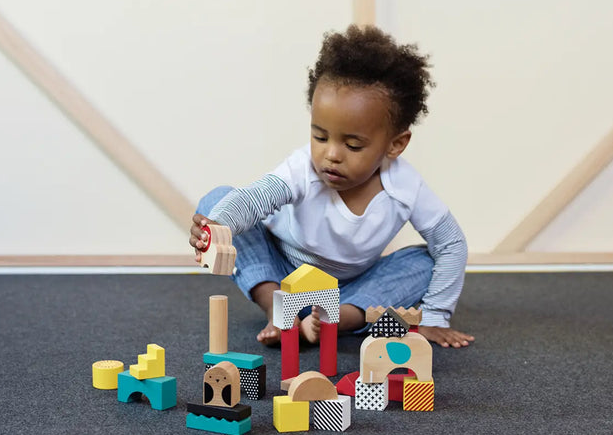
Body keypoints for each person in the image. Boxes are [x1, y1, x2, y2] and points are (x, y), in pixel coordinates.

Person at [189, 24, 474, 349]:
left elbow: (451, 245)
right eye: (320, 137)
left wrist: (435, 315)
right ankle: (278, 311)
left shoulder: (406, 187)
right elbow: (253, 200)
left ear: (395, 144)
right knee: (220, 199)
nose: (331, 154)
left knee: (425, 262)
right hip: (282, 274)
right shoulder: (302, 169)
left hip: (349, 289)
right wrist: (217, 227)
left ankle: (335, 320)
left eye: (353, 145)